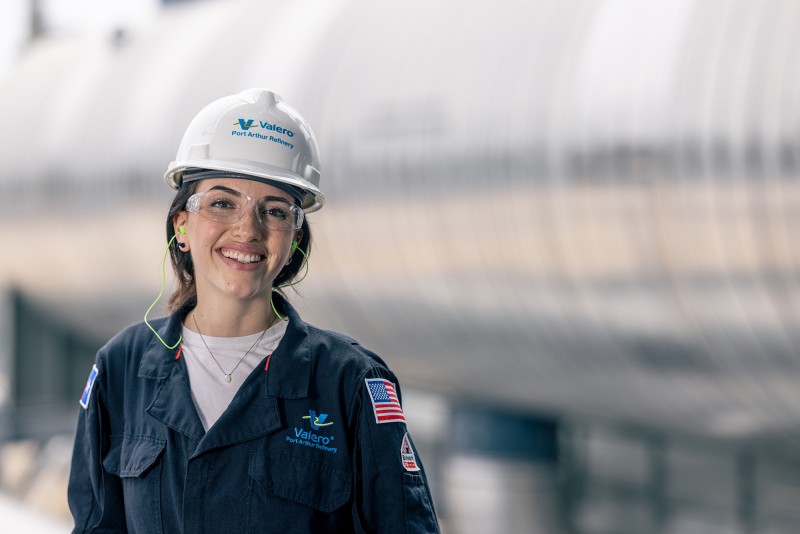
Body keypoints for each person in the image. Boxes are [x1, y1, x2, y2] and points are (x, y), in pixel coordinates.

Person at [68, 88, 440, 533]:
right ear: (181, 225)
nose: (248, 230)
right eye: (222, 203)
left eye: (275, 211)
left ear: (294, 239)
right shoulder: (122, 368)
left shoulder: (349, 382)